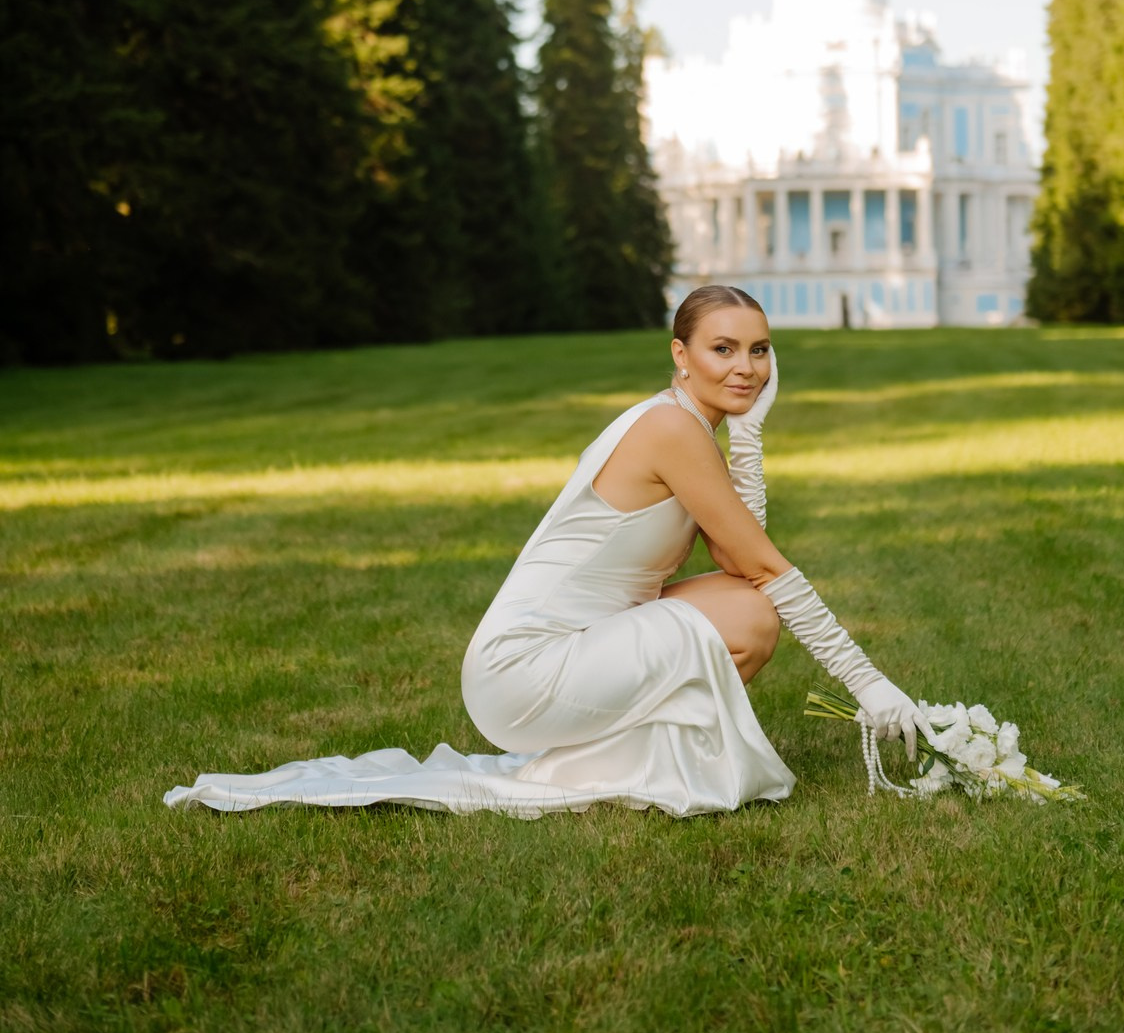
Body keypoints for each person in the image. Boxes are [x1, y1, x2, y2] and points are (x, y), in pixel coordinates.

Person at [165, 285, 931, 817]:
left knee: (748, 610)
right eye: (723, 349)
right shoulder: (669, 429)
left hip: (587, 642)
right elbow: (766, 564)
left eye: (759, 351)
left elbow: (742, 559)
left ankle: (620, 759)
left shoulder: (688, 424)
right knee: (755, 616)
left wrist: (752, 431)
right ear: (680, 354)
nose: (745, 367)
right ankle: (604, 768)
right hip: (523, 670)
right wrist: (871, 685)